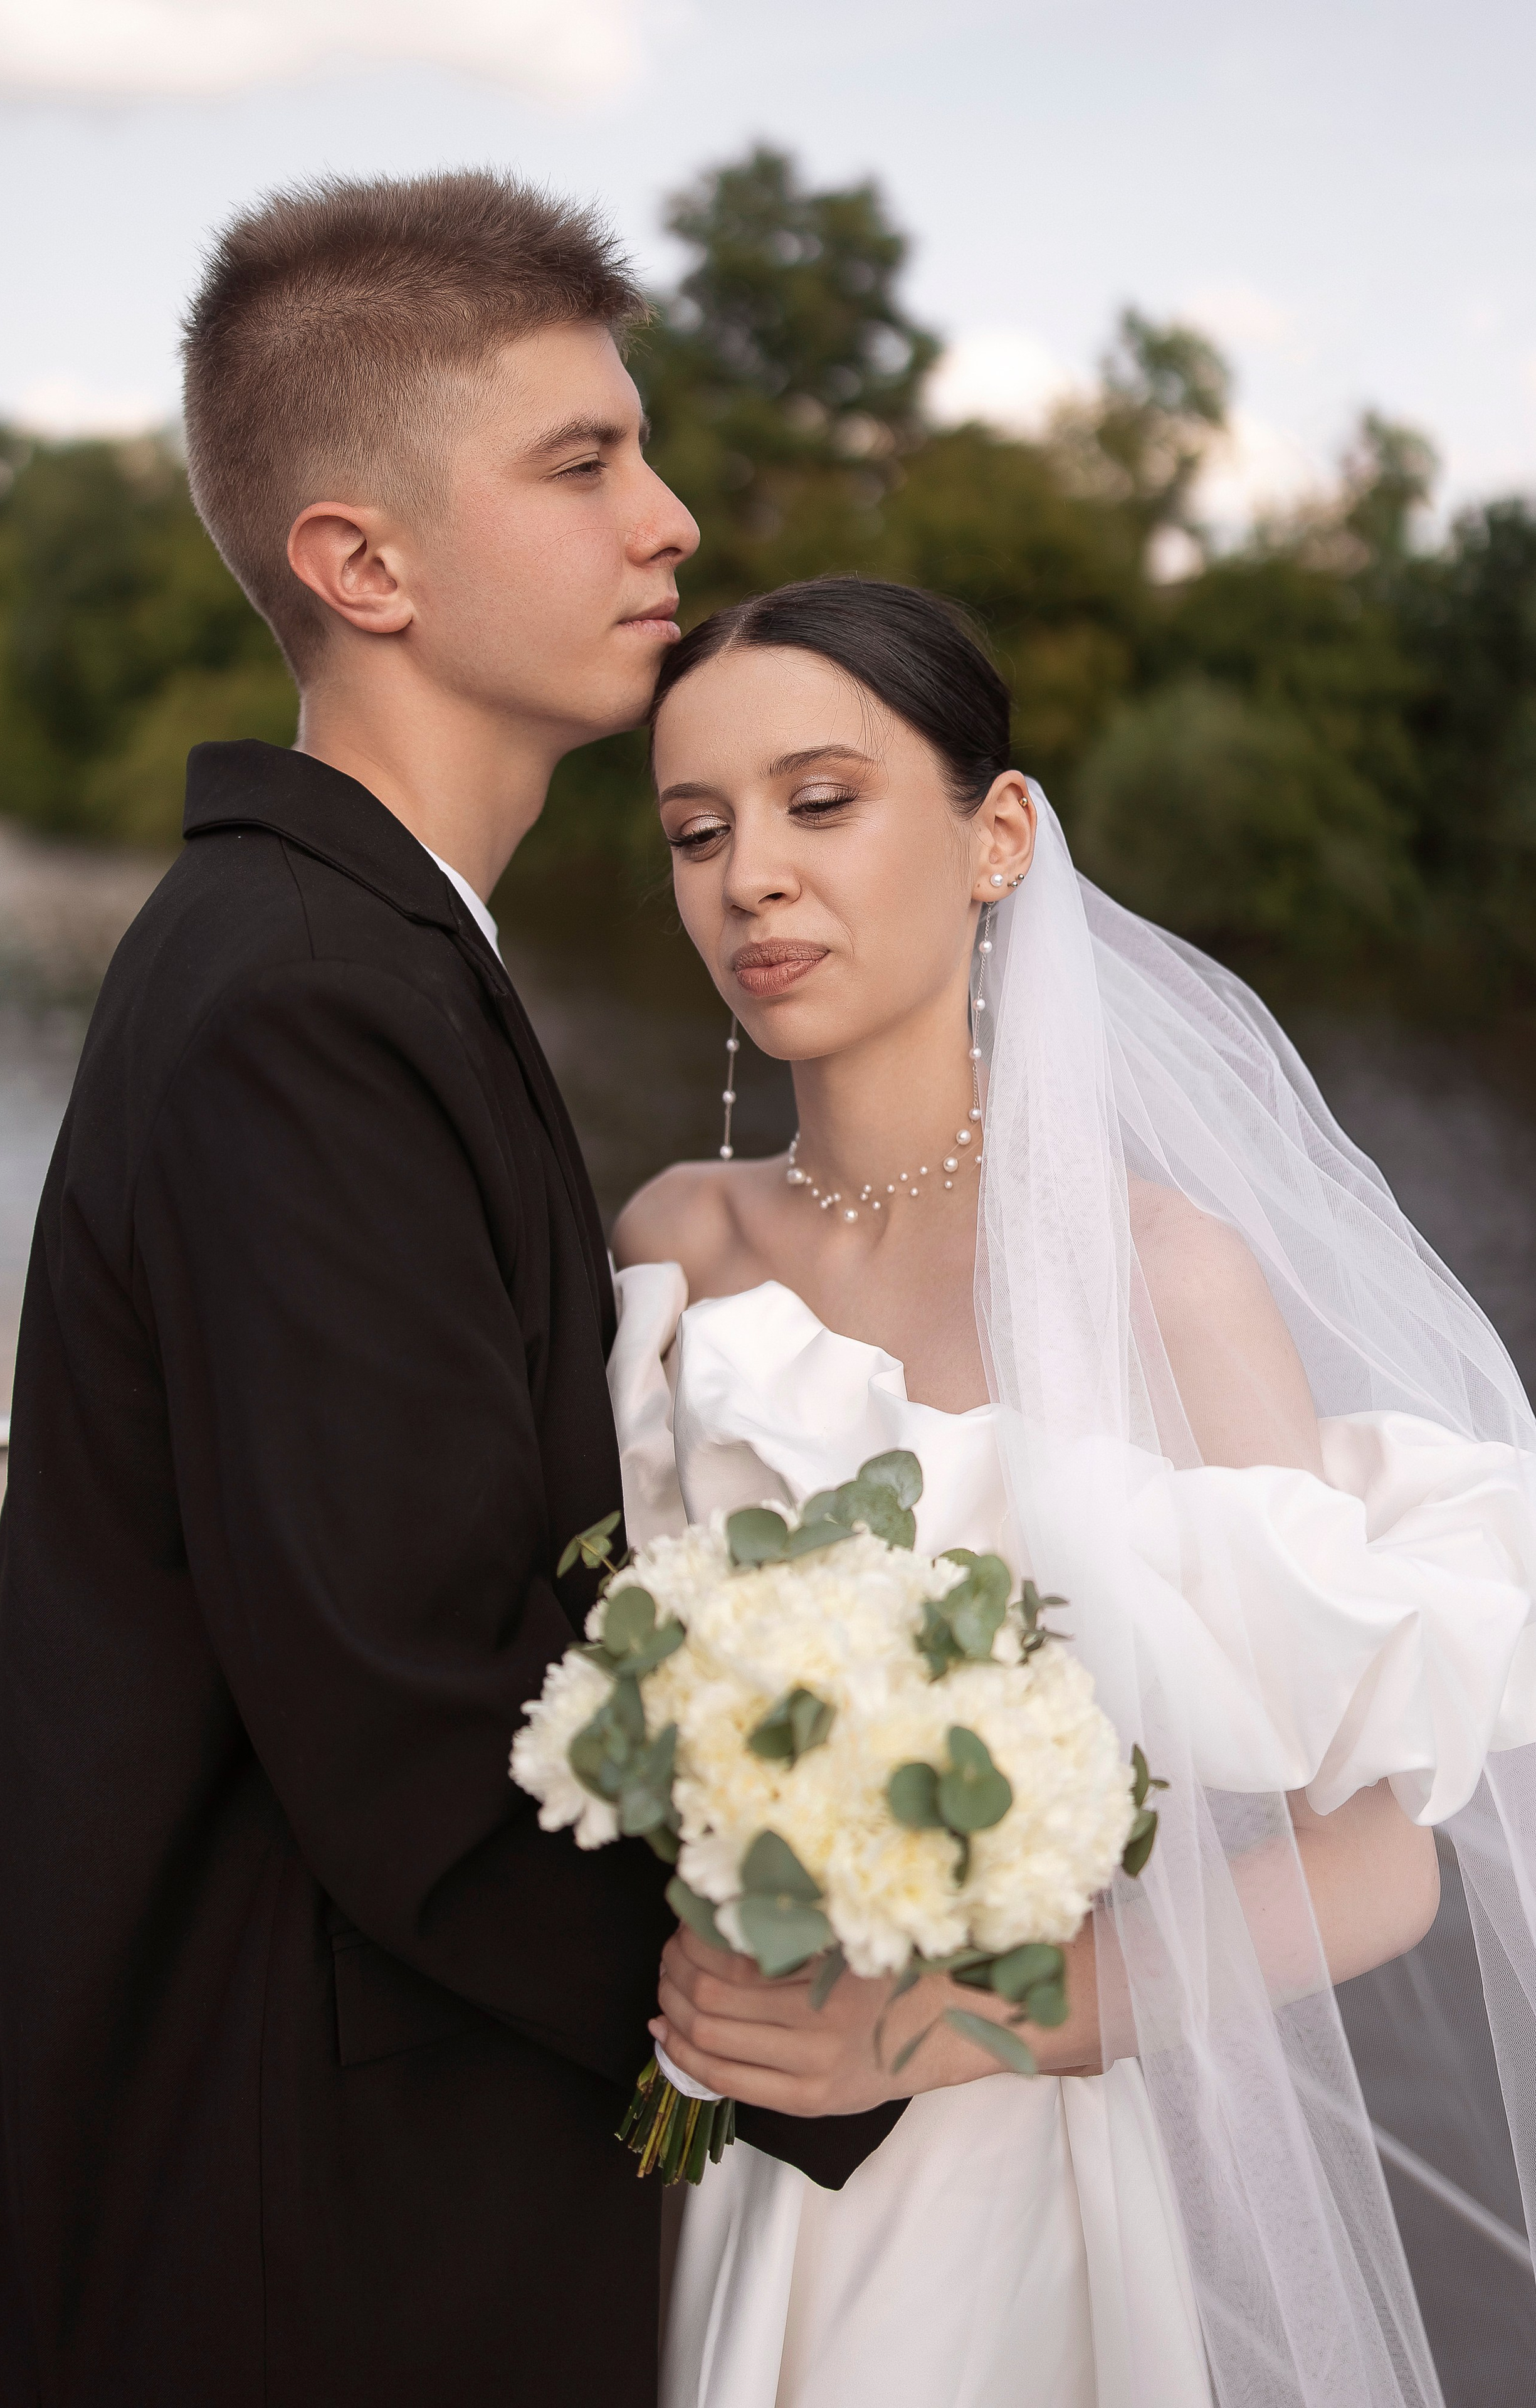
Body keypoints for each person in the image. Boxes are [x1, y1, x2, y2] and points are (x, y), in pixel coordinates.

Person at [0, 176, 894, 2408]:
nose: (669, 519)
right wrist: (837, 2029)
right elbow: (415, 1713)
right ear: (362, 565)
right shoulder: (304, 998)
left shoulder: (361, 950)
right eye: (582, 462)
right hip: (310, 2224)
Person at [610, 576, 1536, 2408]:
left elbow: (1374, 1865)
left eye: (820, 802)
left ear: (999, 836)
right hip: (698, 2106)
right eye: (696, 834)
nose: (750, 881)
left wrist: (941, 2029)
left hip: (998, 2177)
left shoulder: (1159, 1281)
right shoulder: (671, 1241)